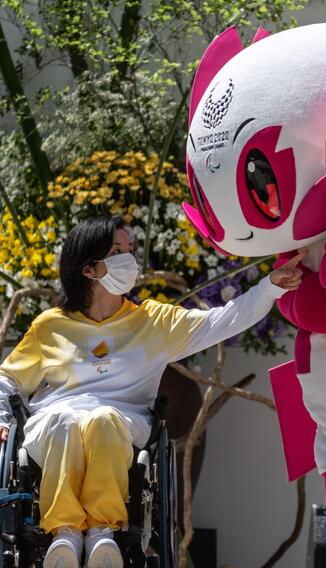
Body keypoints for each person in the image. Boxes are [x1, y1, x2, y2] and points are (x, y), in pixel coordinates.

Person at [0, 215, 303, 568]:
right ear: (88, 269)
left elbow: (222, 320)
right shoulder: (50, 326)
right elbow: (8, 379)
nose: (129, 259)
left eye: (129, 250)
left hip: (122, 424)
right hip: (54, 425)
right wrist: (2, 419)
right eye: (117, 251)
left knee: (102, 419)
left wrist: (269, 286)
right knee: (66, 419)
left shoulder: (153, 321)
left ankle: (102, 533)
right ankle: (64, 533)